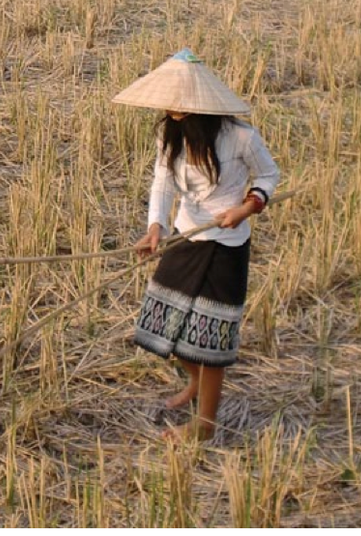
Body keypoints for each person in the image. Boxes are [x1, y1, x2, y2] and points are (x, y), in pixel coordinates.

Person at [113, 49, 280, 441]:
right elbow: (163, 182)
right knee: (166, 324)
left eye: (179, 101)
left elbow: (270, 175)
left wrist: (247, 207)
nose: (171, 108)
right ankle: (193, 384)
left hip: (225, 246)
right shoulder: (166, 133)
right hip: (185, 237)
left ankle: (205, 424)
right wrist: (156, 226)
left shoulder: (240, 136)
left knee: (208, 339)